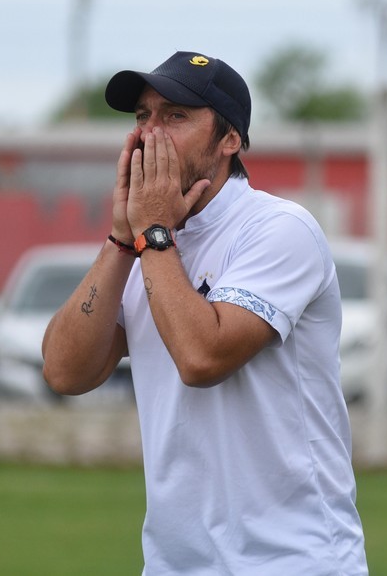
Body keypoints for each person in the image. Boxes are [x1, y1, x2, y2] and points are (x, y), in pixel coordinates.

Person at [42, 51, 368, 575]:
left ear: (229, 140)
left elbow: (201, 358)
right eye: (142, 116)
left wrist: (151, 233)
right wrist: (121, 240)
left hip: (292, 560)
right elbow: (65, 371)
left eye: (175, 116)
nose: (151, 133)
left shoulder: (280, 229)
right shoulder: (150, 241)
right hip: (174, 564)